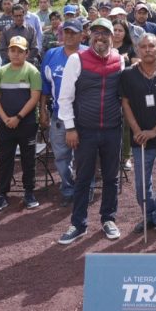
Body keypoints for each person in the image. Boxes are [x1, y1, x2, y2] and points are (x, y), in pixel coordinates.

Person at [56, 18, 126, 245]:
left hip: (112, 130)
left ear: (112, 37)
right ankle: (78, 224)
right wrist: (70, 128)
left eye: (104, 33)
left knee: (111, 177)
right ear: (89, 36)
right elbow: (65, 97)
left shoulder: (119, 60)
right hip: (84, 131)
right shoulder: (77, 59)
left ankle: (108, 219)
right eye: (95, 32)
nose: (100, 37)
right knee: (83, 178)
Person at [120, 34, 156, 239]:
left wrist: (154, 131)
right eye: (143, 46)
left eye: (151, 46)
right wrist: (136, 130)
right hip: (140, 141)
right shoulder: (127, 75)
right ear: (137, 50)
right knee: (141, 185)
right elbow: (125, 103)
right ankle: (149, 214)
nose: (147, 50)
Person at [0, 35, 42, 211]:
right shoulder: (1, 71)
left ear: (27, 53)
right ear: (8, 52)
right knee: (5, 159)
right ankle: (1, 194)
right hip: (5, 124)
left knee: (28, 159)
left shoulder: (32, 71)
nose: (16, 54)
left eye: (20, 51)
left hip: (27, 124)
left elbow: (34, 98)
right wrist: (5, 118)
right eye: (13, 50)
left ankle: (29, 193)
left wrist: (18, 118)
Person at [40, 19, 87, 208]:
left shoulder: (88, 54)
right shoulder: (51, 55)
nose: (68, 36)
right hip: (59, 115)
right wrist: (42, 109)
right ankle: (68, 188)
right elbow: (44, 85)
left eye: (73, 33)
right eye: (65, 32)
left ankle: (85, 188)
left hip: (84, 116)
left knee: (85, 156)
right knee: (61, 156)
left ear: (81, 35)